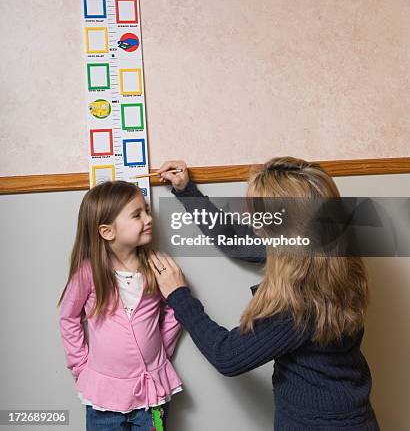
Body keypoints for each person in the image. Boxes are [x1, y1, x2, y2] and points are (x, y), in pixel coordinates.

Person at [149, 157, 380, 430]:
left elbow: (227, 356)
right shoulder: (335, 252)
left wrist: (178, 295)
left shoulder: (300, 306)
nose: (253, 221)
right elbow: (239, 241)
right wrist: (187, 192)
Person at [58, 180, 183, 431]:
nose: (148, 218)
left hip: (153, 397)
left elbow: (177, 307)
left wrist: (161, 351)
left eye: (147, 210)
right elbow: (68, 317)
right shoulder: (88, 273)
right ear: (107, 232)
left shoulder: (155, 267)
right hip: (103, 399)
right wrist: (80, 364)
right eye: (137, 214)